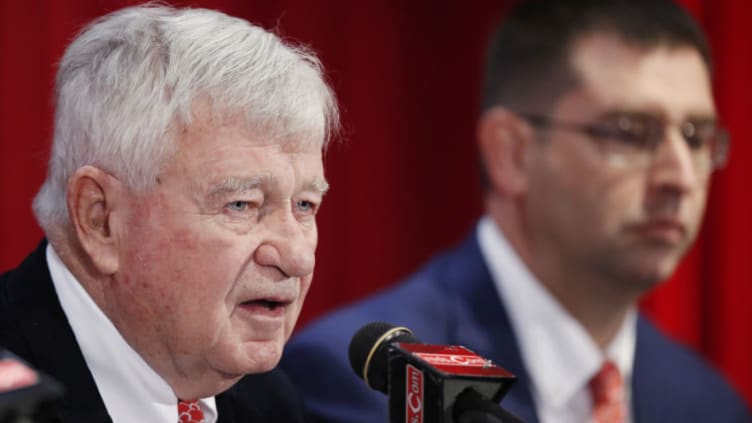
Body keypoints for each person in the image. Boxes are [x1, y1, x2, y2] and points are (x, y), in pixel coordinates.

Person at [280, 0, 751, 422]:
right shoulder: (370, 382)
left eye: (695, 137)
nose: (681, 177)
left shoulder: (707, 402)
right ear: (512, 154)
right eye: (629, 132)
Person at [0, 4, 338, 423]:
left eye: (305, 205)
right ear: (100, 220)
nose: (298, 257)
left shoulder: (267, 400)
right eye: (242, 204)